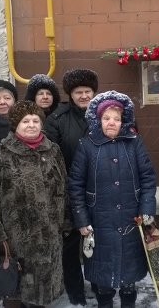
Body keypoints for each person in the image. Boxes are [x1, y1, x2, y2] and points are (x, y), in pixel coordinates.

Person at [68, 91, 157, 308]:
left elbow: (147, 177)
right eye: (107, 118)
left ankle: (128, 301)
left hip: (131, 218)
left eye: (116, 119)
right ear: (98, 121)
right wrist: (81, 221)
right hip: (99, 221)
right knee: (103, 277)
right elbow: (76, 185)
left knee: (129, 275)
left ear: (123, 121)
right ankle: (104, 302)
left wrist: (147, 209)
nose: (111, 123)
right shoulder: (87, 145)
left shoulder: (134, 143)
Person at [0, 100, 67, 308]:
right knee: (15, 293)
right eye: (25, 121)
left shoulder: (53, 150)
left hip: (49, 237)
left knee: (41, 295)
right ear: (14, 125)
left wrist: (65, 223)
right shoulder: (0, 153)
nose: (31, 124)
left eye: (35, 120)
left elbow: (64, 189)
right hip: (14, 239)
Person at [45, 68, 99, 305]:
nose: (84, 96)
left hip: (99, 191)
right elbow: (51, 154)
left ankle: (99, 286)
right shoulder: (57, 118)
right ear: (71, 94)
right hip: (67, 191)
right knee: (70, 245)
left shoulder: (104, 113)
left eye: (88, 91)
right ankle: (76, 292)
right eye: (79, 92)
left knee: (98, 243)